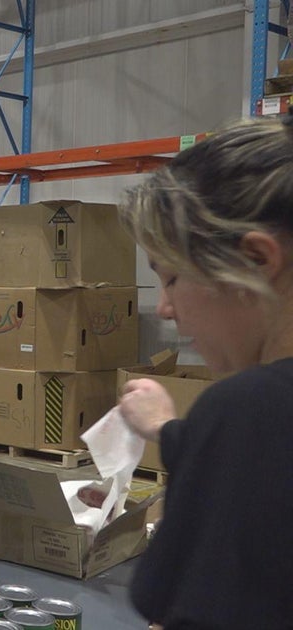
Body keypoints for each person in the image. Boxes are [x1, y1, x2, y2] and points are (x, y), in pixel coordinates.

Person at [116, 117, 293, 628]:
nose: (165, 309)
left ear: (257, 260)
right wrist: (174, 435)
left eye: (169, 278)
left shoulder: (253, 406)